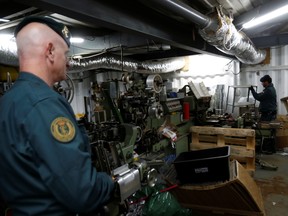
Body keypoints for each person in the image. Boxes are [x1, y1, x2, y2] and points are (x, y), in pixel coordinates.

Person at [0, 16, 115, 215]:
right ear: (51, 51)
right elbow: (82, 192)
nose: (69, 63)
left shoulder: (8, 102)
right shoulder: (45, 105)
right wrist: (110, 182)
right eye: (66, 53)